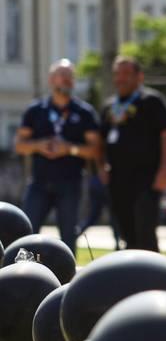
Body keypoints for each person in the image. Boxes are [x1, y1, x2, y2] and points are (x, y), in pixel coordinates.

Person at [13, 60, 102, 252]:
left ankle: (68, 278)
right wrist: (39, 145)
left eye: (70, 76)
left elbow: (95, 150)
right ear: (51, 79)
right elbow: (19, 145)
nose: (67, 80)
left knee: (68, 237)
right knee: (26, 233)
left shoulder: (84, 112)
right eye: (63, 75)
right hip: (39, 182)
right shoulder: (36, 110)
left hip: (70, 183)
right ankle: (21, 275)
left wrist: (69, 149)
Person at [100, 56, 166, 251]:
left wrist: (165, 170)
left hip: (147, 177)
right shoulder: (109, 106)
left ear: (139, 76)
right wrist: (101, 166)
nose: (120, 78)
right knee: (126, 230)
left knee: (145, 228)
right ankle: (131, 274)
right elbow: (99, 140)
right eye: (117, 74)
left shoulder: (152, 101)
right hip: (118, 178)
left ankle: (153, 275)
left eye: (126, 74)